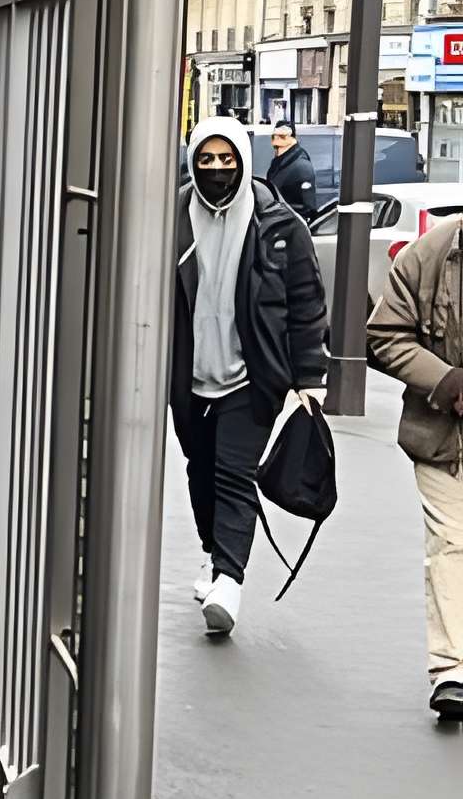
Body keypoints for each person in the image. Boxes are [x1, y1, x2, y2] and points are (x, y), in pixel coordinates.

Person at [169, 120, 327, 640]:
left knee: (235, 473)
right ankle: (216, 554)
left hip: (251, 376)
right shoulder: (170, 219)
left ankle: (229, 583)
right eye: (206, 160)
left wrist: (310, 377)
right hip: (188, 377)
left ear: (243, 159)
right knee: (200, 469)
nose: (217, 169)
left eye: (227, 159)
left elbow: (306, 305)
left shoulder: (278, 224)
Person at [363, 213, 463, 719]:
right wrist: (448, 384)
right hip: (445, 436)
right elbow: (384, 333)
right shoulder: (433, 252)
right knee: (450, 543)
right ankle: (452, 670)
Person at [265, 119, 319, 228]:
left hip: (290, 228)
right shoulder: (280, 162)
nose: (276, 140)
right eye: (275, 136)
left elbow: (307, 209)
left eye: (282, 137)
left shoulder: (301, 166)